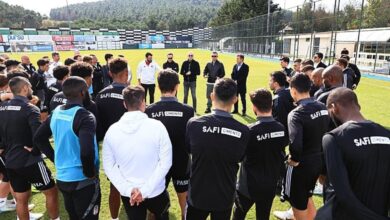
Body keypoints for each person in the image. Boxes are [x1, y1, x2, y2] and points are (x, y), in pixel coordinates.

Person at [317, 88, 390, 220]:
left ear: (334, 107)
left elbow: (343, 193)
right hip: (380, 213)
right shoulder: (386, 134)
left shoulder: (333, 138)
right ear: (358, 106)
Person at [34, 76, 100, 219]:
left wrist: (56, 160)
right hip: (82, 180)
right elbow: (87, 151)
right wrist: (89, 173)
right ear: (83, 92)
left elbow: (38, 138)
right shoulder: (85, 116)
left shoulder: (57, 111)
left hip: (63, 179)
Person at [103, 85, 172, 220]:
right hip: (155, 190)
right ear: (143, 103)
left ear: (124, 103)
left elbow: (109, 167)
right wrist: (144, 191)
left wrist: (130, 190)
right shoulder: (157, 127)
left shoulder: (112, 130)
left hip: (130, 193)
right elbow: (166, 162)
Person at [186, 78, 250, 220]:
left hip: (198, 193)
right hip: (224, 195)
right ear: (235, 99)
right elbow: (240, 157)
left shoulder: (194, 124)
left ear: (212, 95)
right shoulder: (243, 131)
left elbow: (189, 150)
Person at [0, 77, 59, 220]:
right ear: (25, 88)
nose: (32, 89)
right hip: (30, 161)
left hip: (10, 161)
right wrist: (35, 151)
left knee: (21, 199)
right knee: (52, 192)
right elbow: (38, 135)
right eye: (30, 87)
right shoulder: (30, 108)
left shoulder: (2, 107)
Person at [145, 69, 194, 220]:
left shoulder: (148, 110)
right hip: (182, 162)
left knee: (153, 204)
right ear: (177, 86)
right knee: (185, 201)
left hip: (157, 164)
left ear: (158, 87)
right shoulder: (188, 111)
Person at [233, 89, 289, 220]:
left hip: (247, 185)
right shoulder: (281, 128)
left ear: (254, 107)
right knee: (263, 216)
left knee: (238, 215)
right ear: (271, 105)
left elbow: (239, 156)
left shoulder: (249, 130)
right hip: (270, 183)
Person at [281, 73, 330, 220]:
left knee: (297, 202)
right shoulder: (322, 107)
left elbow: (296, 145)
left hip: (302, 165)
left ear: (293, 90)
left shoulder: (296, 114)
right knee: (307, 196)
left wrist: (293, 160)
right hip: (318, 161)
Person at [95, 58, 129, 220]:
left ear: (109, 73)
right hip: (132, 146)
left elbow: (97, 125)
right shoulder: (132, 93)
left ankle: (114, 218)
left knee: (114, 185)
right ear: (126, 73)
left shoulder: (100, 95)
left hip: (111, 148)